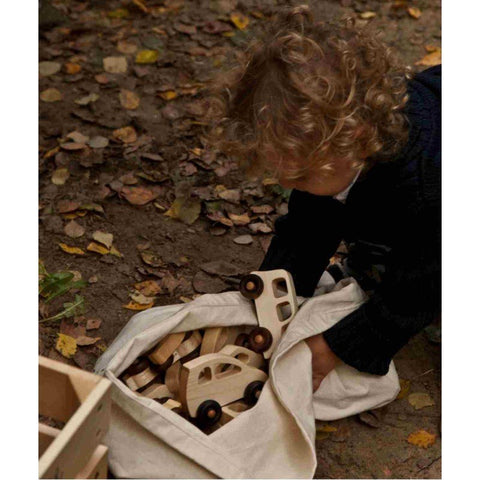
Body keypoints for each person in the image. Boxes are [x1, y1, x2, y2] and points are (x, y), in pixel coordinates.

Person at [206, 5, 440, 391]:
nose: (287, 182)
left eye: (299, 175)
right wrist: (275, 289)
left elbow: (421, 288)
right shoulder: (337, 156)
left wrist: (338, 345)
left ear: (358, 139)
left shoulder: (428, 191)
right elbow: (308, 226)